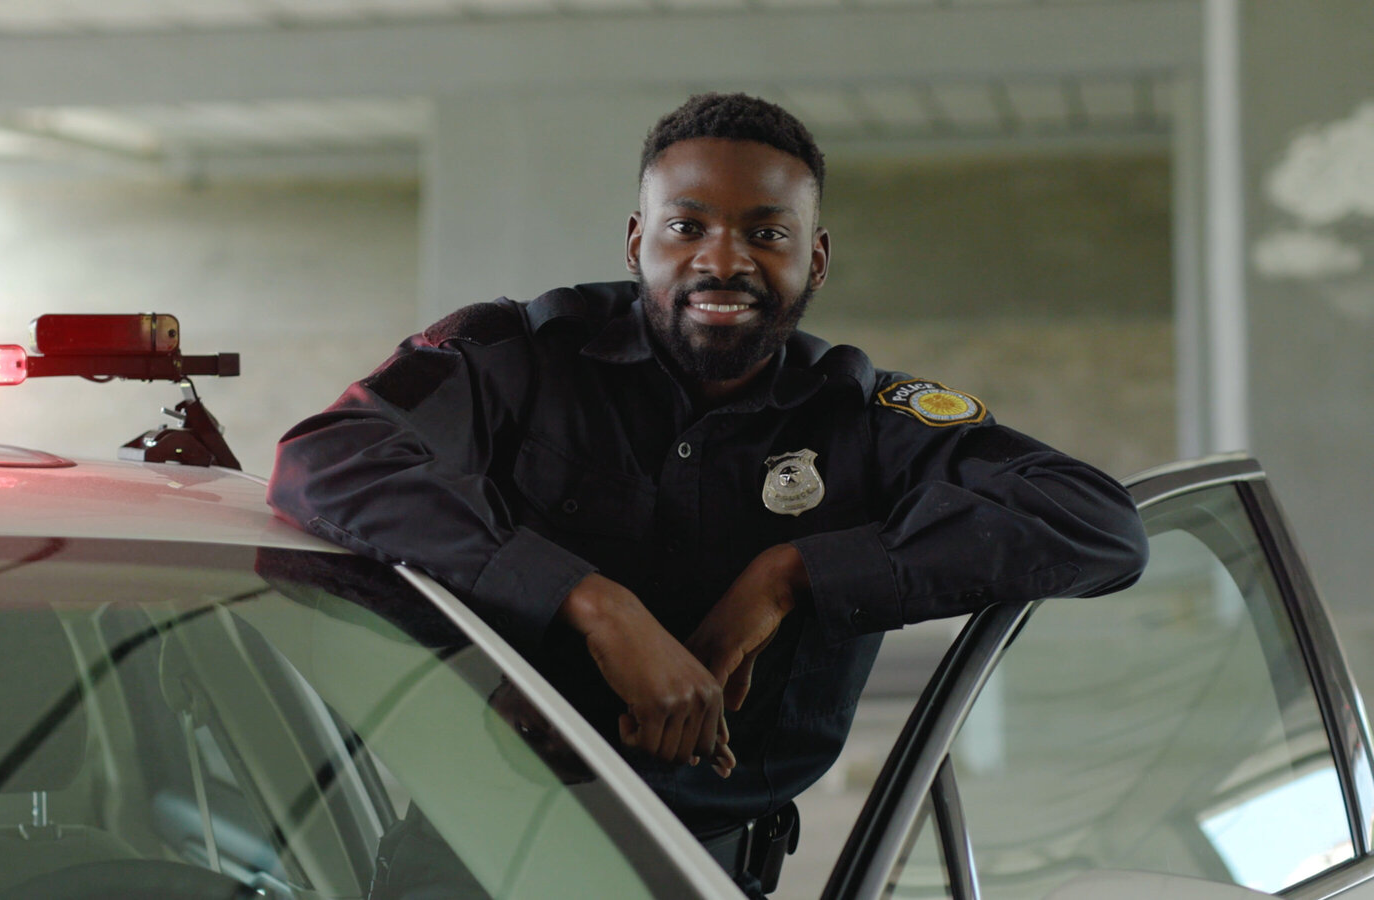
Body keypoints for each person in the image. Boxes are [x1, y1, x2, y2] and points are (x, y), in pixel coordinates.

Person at [268, 93, 1149, 895]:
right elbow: (325, 460)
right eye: (686, 226)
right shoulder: (513, 361)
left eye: (767, 234)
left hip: (706, 875)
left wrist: (794, 573)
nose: (721, 260)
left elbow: (1099, 523)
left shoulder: (865, 419)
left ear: (818, 257)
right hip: (465, 864)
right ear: (634, 239)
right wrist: (591, 604)